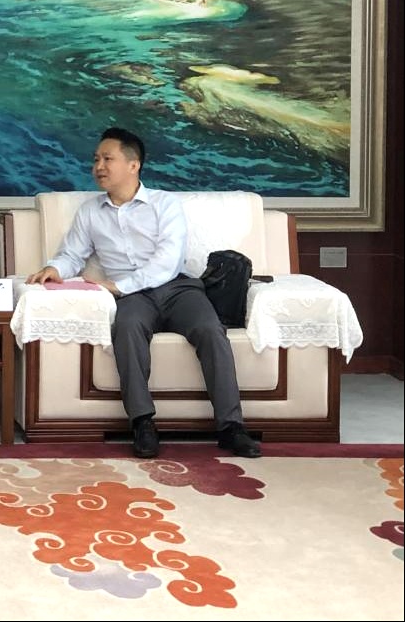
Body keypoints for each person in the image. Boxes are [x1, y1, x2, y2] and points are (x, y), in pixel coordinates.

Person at [26, 127, 261, 459]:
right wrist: (55, 268)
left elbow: (167, 262)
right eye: (96, 160)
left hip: (177, 288)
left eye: (107, 159)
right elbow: (72, 255)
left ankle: (231, 427)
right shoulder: (90, 212)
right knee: (127, 328)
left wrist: (118, 286)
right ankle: (142, 423)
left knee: (210, 330)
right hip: (133, 298)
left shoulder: (165, 204)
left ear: (133, 165)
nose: (98, 167)